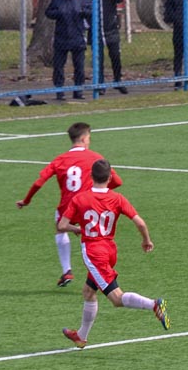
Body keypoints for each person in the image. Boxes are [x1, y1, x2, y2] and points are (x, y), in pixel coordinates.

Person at [57, 159, 170, 348]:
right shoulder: (118, 198)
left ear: (91, 177)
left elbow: (61, 225)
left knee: (117, 299)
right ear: (110, 178)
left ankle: (154, 305)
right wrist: (146, 240)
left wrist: (76, 229)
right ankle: (81, 337)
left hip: (94, 253)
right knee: (88, 291)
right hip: (110, 250)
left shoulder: (80, 199)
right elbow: (140, 223)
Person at [16, 122, 122, 287]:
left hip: (69, 207)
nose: (89, 141)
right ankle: (101, 273)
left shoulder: (60, 159)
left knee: (60, 228)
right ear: (83, 138)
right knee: (96, 238)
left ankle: (67, 270)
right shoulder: (95, 157)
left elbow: (39, 183)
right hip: (90, 205)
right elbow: (117, 181)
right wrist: (100, 191)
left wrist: (26, 200)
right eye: (89, 138)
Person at [45, 0, 91, 100]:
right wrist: (58, 13)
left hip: (77, 37)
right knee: (59, 66)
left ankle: (78, 91)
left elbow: (90, 11)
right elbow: (48, 12)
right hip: (61, 38)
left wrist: (83, 11)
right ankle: (60, 91)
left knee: (79, 66)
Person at [85, 0, 128, 95]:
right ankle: (100, 83)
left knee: (115, 56)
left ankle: (118, 80)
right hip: (96, 31)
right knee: (98, 58)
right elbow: (85, 8)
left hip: (111, 30)